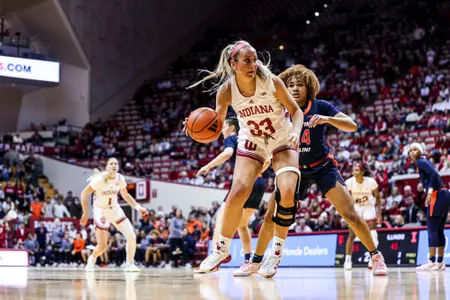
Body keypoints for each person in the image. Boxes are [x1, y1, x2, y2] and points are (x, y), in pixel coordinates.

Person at [237, 64, 388, 277]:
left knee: (350, 214)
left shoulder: (321, 106)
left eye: (300, 84)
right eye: (290, 85)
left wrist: (328, 119)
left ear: (309, 87)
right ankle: (255, 262)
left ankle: (376, 255)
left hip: (322, 167)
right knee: (270, 216)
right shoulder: (278, 109)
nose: (295, 88)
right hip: (293, 169)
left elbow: (352, 125)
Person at [186, 40, 303, 273]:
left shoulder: (272, 82)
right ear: (234, 63)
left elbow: (296, 111)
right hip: (252, 140)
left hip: (281, 137)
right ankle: (221, 250)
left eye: (254, 59)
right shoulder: (226, 90)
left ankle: (276, 253)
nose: (253, 64)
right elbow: (216, 125)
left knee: (288, 192)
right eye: (247, 61)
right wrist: (192, 127)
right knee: (237, 191)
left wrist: (296, 133)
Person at [195, 116, 268, 275]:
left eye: (224, 127)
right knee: (242, 225)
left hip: (244, 181)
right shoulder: (250, 139)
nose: (222, 130)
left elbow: (228, 153)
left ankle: (218, 253)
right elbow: (267, 160)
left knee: (221, 218)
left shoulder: (232, 138)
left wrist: (208, 166)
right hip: (260, 182)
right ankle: (250, 261)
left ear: (232, 128)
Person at [80, 157, 149, 272]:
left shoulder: (120, 179)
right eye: (111, 163)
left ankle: (130, 264)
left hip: (114, 209)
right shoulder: (100, 180)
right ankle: (92, 259)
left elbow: (126, 195)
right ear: (107, 167)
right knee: (102, 246)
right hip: (100, 210)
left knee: (131, 236)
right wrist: (85, 212)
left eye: (116, 164)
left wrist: (138, 207)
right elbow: (84, 193)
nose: (114, 165)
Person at [412, 143, 450, 271]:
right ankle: (440, 262)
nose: (412, 152)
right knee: (439, 230)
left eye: (415, 149)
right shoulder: (423, 162)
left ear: (421, 151)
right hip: (444, 194)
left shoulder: (421, 161)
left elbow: (434, 174)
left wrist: (429, 193)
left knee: (432, 229)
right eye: (410, 150)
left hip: (437, 194)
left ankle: (432, 261)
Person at [344, 163, 381, 270]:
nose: (354, 172)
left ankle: (372, 259)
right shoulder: (349, 182)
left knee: (373, 234)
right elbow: (346, 199)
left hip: (369, 207)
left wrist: (379, 213)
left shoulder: (371, 182)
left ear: (362, 172)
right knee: (352, 234)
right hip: (356, 208)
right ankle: (347, 260)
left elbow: (377, 197)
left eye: (356, 170)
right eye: (353, 170)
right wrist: (348, 214)